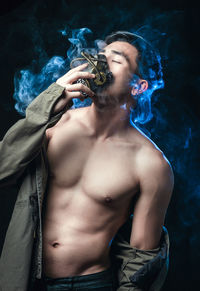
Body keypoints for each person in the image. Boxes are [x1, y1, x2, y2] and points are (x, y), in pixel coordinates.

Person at [0, 31, 174, 291]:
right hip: (26, 279)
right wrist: (46, 106)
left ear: (139, 86)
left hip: (92, 284)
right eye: (100, 56)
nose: (100, 63)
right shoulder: (55, 123)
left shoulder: (151, 164)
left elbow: (141, 260)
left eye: (115, 60)